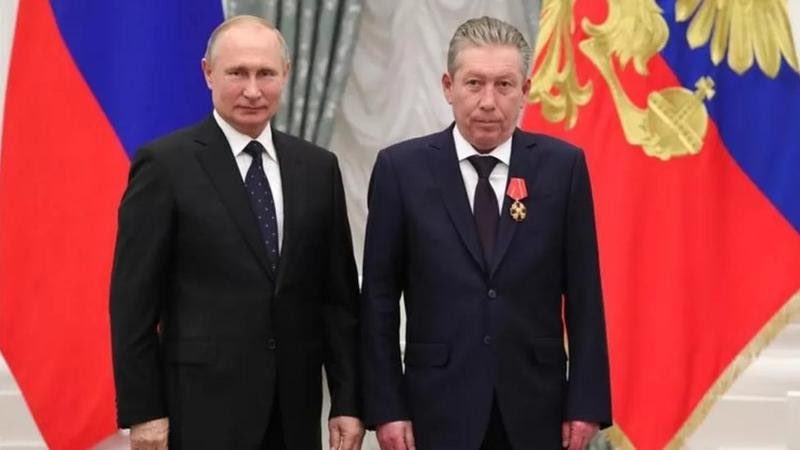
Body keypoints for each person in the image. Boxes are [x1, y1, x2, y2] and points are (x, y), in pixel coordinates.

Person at [110, 15, 363, 450]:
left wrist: (348, 401)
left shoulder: (318, 168)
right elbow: (132, 303)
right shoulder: (165, 165)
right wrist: (144, 411)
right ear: (208, 73)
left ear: (286, 73)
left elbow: (338, 301)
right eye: (237, 73)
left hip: (294, 415)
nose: (252, 90)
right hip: (200, 413)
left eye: (265, 73)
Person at [360, 16, 611, 450]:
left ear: (525, 90)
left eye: (504, 85)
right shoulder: (401, 170)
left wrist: (586, 403)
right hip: (434, 407)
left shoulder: (563, 168)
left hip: (537, 408)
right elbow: (378, 299)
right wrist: (387, 407)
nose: (488, 102)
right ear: (448, 86)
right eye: (474, 83)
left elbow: (585, 294)